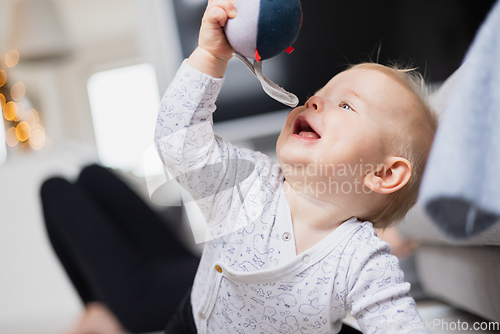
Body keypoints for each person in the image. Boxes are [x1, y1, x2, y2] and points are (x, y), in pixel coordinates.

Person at [155, 0, 438, 333]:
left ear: (383, 174)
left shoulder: (361, 259)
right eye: (320, 94)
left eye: (346, 105)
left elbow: (397, 322)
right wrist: (212, 57)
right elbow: (179, 141)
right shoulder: (248, 183)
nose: (314, 101)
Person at [40, 164, 200, 334]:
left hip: (164, 292)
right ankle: (99, 308)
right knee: (92, 174)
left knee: (53, 188)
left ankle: (98, 308)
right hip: (197, 267)